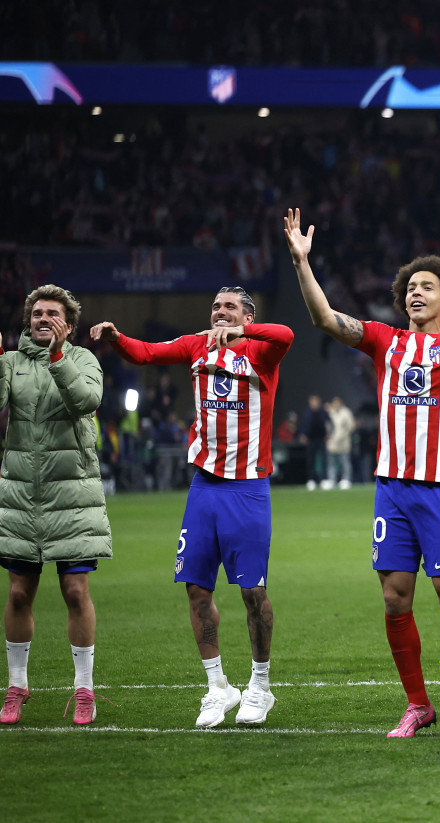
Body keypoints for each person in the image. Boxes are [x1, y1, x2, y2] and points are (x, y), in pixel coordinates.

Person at [284, 202, 440, 739]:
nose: (415, 293)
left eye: (427, 287)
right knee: (395, 595)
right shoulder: (384, 340)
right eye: (410, 287)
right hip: (391, 489)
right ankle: (418, 705)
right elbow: (325, 319)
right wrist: (303, 262)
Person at [91, 285, 293, 727]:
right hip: (204, 486)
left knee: (253, 592)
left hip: (248, 487)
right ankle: (218, 687)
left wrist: (244, 332)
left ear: (247, 315)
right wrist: (116, 337)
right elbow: (144, 354)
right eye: (216, 307)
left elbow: (287, 334)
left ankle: (260, 685)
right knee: (197, 589)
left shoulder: (262, 351)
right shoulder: (195, 345)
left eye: (230, 308)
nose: (220, 313)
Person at [1, 285, 112, 726]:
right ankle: (16, 685)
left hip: (74, 496)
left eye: (52, 313)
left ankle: (84, 689)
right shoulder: (10, 362)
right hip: (21, 496)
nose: (42, 318)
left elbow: (86, 401)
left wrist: (60, 358)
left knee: (75, 591)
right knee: (17, 593)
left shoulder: (84, 360)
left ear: (69, 323)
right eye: (36, 313)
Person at [325, 395, 356, 489]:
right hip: (332, 442)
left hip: (343, 441)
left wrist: (344, 434)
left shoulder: (346, 412)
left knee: (345, 461)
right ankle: (332, 479)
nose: (336, 404)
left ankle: (346, 479)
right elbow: (327, 425)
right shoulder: (331, 412)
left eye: (337, 402)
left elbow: (351, 426)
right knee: (331, 462)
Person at [301, 394, 329, 490]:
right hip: (311, 440)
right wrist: (303, 435)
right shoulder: (306, 412)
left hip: (321, 439)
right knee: (310, 460)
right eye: (312, 401)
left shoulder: (323, 412)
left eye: (315, 401)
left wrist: (328, 434)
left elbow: (329, 423)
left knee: (324, 460)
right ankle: (311, 480)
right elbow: (303, 425)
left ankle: (324, 479)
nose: (314, 403)